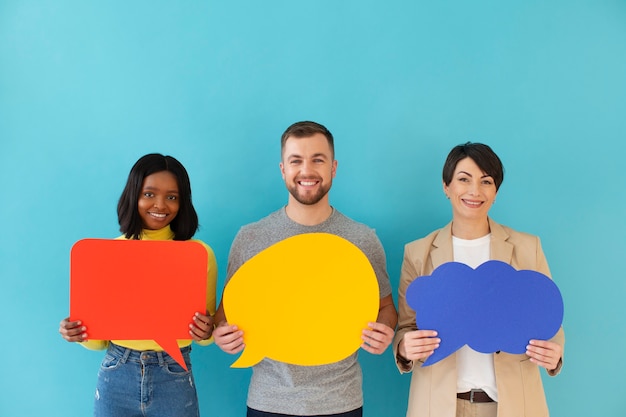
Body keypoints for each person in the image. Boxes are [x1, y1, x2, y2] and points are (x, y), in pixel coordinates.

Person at [213, 121, 398, 417]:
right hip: (268, 402)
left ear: (333, 168)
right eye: (296, 160)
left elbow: (386, 308)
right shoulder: (251, 238)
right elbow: (225, 315)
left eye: (318, 160)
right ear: (283, 169)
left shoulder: (362, 239)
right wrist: (222, 334)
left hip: (341, 402)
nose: (307, 171)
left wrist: (385, 330)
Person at [393, 142, 565, 417]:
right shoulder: (418, 253)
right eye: (464, 179)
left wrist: (555, 355)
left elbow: (549, 320)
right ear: (446, 186)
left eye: (486, 181)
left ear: (495, 191)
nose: (475, 191)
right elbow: (406, 326)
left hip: (512, 404)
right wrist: (404, 347)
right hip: (438, 405)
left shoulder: (527, 248)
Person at [58, 153, 217, 417]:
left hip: (174, 373)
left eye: (172, 197)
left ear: (183, 202)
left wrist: (207, 330)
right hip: (117, 371)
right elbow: (98, 343)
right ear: (134, 195)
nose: (160, 205)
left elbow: (206, 334)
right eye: (149, 194)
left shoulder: (198, 254)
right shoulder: (107, 254)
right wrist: (78, 331)